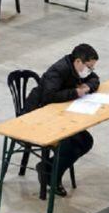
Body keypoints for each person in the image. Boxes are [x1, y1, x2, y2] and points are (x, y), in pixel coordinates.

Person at [26, 44, 100, 200]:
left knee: (86, 140)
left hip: (59, 115)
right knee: (68, 143)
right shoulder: (58, 71)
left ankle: (48, 168)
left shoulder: (78, 69)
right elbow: (49, 96)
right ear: (78, 61)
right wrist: (75, 92)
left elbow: (95, 79)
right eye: (89, 67)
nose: (90, 71)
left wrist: (87, 86)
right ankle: (52, 176)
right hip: (37, 114)